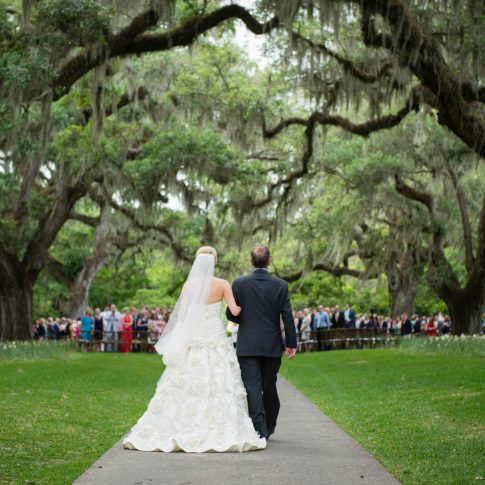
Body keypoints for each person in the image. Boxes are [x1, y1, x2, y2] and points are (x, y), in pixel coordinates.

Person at [122, 246, 265, 452]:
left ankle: (177, 425)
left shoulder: (189, 286)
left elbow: (182, 316)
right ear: (214, 262)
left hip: (196, 335)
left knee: (185, 377)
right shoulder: (223, 284)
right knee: (221, 376)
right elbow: (234, 311)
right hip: (215, 334)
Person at [226, 245, 297, 441]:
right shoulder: (281, 285)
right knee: (269, 384)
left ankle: (259, 429)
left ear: (251, 262)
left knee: (252, 387)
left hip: (247, 345)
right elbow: (288, 317)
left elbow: (232, 315)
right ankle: (268, 426)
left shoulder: (239, 284)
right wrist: (291, 343)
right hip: (271, 345)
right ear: (269, 261)